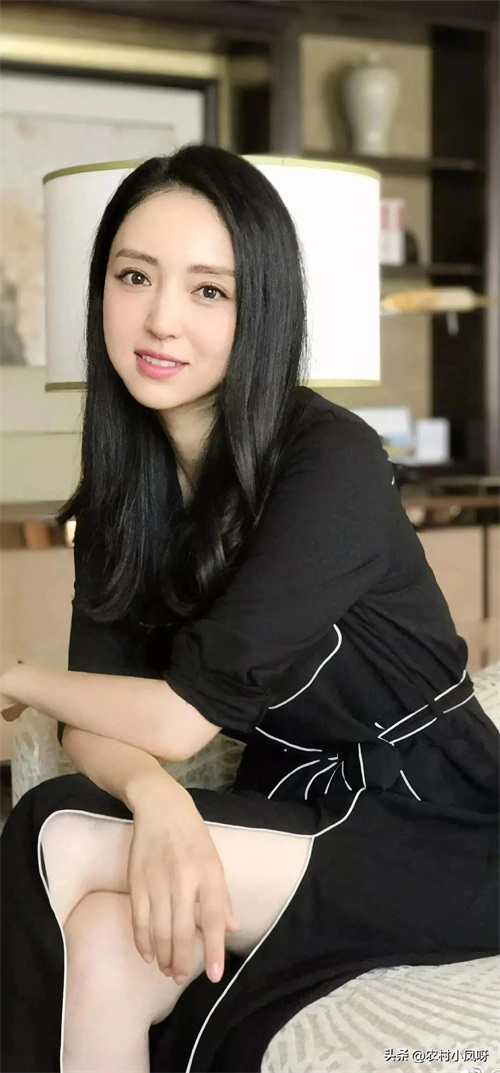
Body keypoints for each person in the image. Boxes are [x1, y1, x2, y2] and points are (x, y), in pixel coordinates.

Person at [1, 145, 498, 1073]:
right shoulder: (122, 497)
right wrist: (156, 799)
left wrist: (18, 676)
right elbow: (96, 723)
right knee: (105, 943)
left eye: (208, 291)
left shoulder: (331, 461)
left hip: (440, 823)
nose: (160, 318)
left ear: (261, 307)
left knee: (52, 828)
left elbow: (177, 720)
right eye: (134, 276)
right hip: (289, 805)